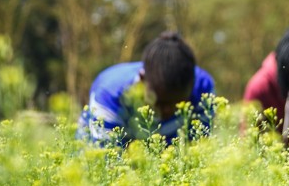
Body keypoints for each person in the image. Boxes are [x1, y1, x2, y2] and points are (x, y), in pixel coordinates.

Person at [76, 31, 216, 145]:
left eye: (180, 104)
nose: (168, 112)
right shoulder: (110, 94)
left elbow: (197, 150)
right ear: (143, 79)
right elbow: (107, 166)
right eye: (161, 103)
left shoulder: (202, 87)